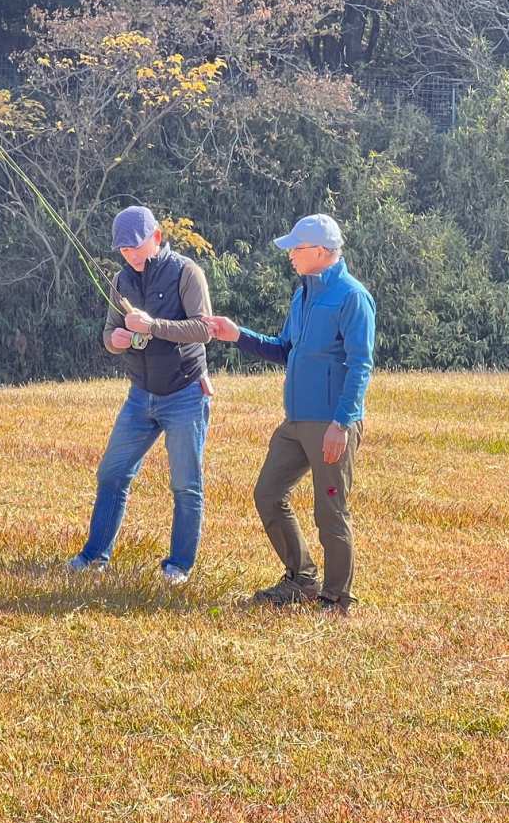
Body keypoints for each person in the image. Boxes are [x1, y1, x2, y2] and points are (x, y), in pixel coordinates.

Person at [211, 214, 375, 614]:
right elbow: (284, 349)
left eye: (295, 249)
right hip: (295, 422)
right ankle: (301, 578)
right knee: (267, 493)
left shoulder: (352, 297)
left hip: (331, 424)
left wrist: (342, 423)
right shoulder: (302, 294)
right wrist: (237, 334)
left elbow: (360, 365)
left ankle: (336, 598)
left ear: (320, 252)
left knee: (330, 511)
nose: (289, 255)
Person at [68, 205, 215, 585]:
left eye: (135, 246)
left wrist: (154, 326)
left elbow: (204, 329)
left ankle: (179, 565)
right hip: (140, 395)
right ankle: (94, 556)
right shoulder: (120, 281)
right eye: (123, 249)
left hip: (184, 393)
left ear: (157, 239)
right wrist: (115, 342)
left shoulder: (187, 273)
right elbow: (108, 334)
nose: (129, 255)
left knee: (185, 484)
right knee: (112, 474)